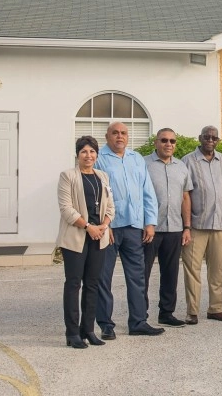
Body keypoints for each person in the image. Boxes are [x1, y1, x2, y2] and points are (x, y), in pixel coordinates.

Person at [95, 121, 164, 338]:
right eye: (115, 133)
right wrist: (105, 224)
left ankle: (138, 322)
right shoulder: (98, 159)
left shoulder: (136, 160)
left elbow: (147, 191)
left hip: (135, 227)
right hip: (110, 228)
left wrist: (150, 222)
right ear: (107, 136)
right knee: (103, 277)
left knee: (137, 276)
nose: (119, 137)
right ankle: (106, 325)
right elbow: (96, 195)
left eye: (123, 133)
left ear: (128, 136)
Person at [57, 136, 115, 348]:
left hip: (98, 238)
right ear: (77, 154)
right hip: (76, 237)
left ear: (97, 155)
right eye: (84, 152)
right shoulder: (68, 176)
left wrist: (103, 226)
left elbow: (110, 206)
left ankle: (88, 329)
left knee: (93, 284)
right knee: (73, 284)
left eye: (92, 152)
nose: (88, 156)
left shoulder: (103, 176)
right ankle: (72, 333)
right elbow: (66, 209)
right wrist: (88, 227)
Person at [181, 125, 222, 323]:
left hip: (220, 225)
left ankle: (215, 308)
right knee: (192, 270)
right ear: (200, 138)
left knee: (217, 270)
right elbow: (184, 194)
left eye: (214, 137)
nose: (210, 140)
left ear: (218, 140)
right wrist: (186, 226)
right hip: (197, 224)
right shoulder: (188, 161)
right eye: (206, 137)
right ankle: (192, 311)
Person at [144, 128, 192, 327]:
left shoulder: (181, 167)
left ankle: (166, 313)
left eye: (172, 141)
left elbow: (185, 197)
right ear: (156, 142)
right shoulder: (143, 164)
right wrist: (146, 223)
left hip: (174, 228)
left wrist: (187, 226)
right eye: (164, 140)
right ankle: (140, 315)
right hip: (149, 229)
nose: (168, 144)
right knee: (142, 274)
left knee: (170, 274)